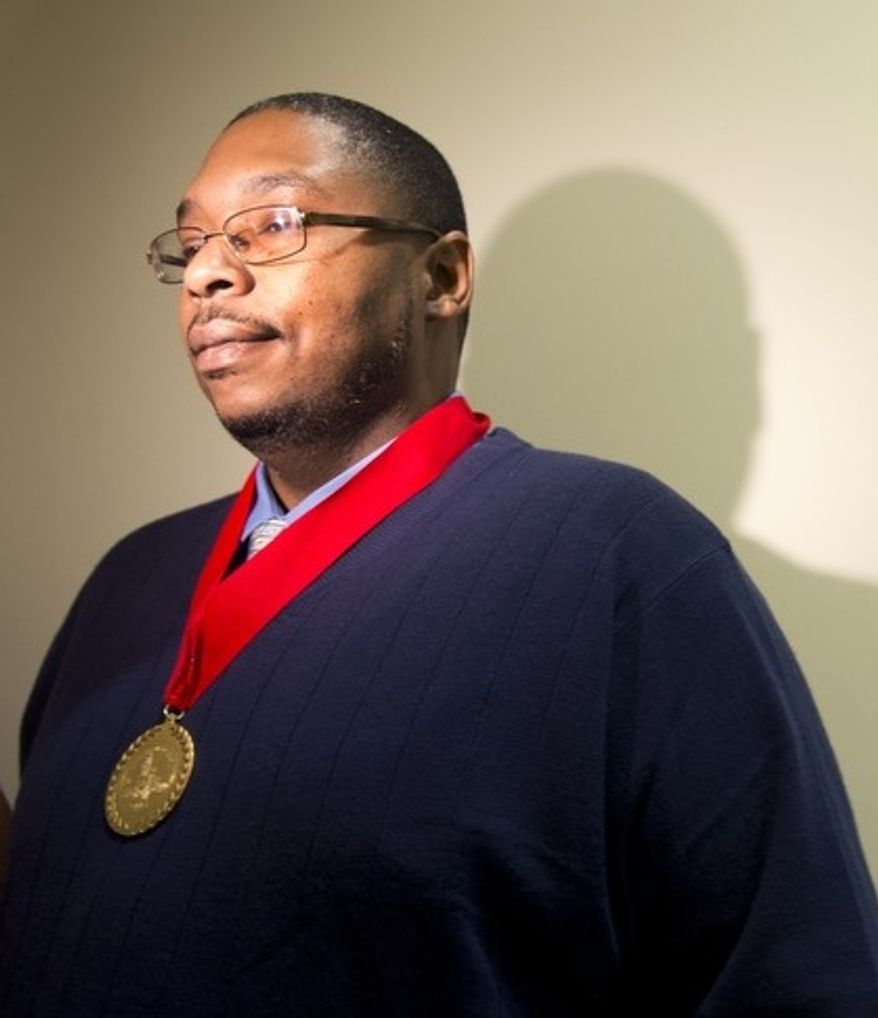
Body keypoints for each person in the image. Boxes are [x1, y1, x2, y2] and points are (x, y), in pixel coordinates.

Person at [1, 93, 876, 1016]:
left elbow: (797, 978)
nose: (209, 274)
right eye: (192, 244)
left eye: (273, 225)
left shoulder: (618, 554)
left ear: (442, 277)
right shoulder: (130, 575)